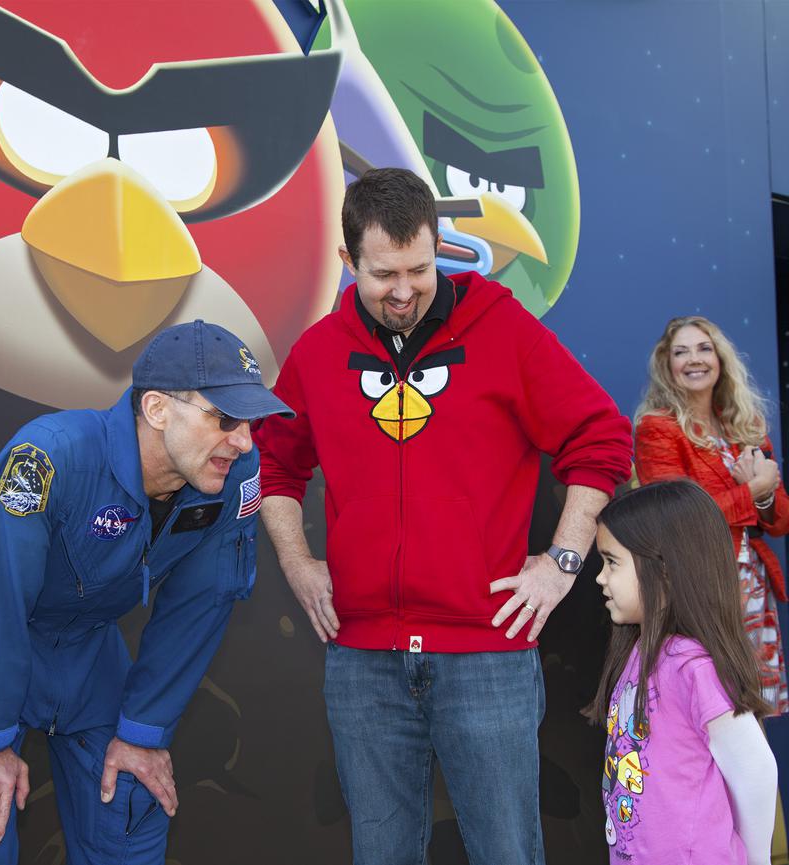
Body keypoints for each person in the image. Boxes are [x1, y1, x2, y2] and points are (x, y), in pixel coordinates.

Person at [253, 167, 632, 864]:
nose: (403, 291)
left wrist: (562, 561)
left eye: (420, 269)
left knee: (507, 852)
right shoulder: (317, 354)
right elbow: (275, 464)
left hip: (486, 655)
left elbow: (601, 436)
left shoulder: (502, 328)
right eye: (383, 274)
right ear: (348, 262)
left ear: (439, 248)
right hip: (363, 660)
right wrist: (297, 562)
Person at [0, 319, 292, 864]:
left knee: (131, 805)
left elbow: (202, 605)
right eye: (226, 418)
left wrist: (144, 730)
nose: (243, 440)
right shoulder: (50, 456)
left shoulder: (235, 475)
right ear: (158, 410)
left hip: (86, 639)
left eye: (251, 422)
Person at [585, 480, 776, 864]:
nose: (600, 578)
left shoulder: (693, 667)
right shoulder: (639, 653)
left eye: (612, 562)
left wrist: (756, 859)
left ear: (666, 569)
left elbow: (755, 772)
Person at [634, 315, 789, 715]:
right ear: (667, 365)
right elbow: (678, 518)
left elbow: (779, 522)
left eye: (703, 348)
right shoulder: (658, 428)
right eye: (680, 352)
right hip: (700, 584)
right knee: (716, 707)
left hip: (750, 583)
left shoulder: (746, 426)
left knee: (754, 709)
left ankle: (758, 783)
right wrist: (752, 490)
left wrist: (766, 495)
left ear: (720, 358)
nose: (694, 359)